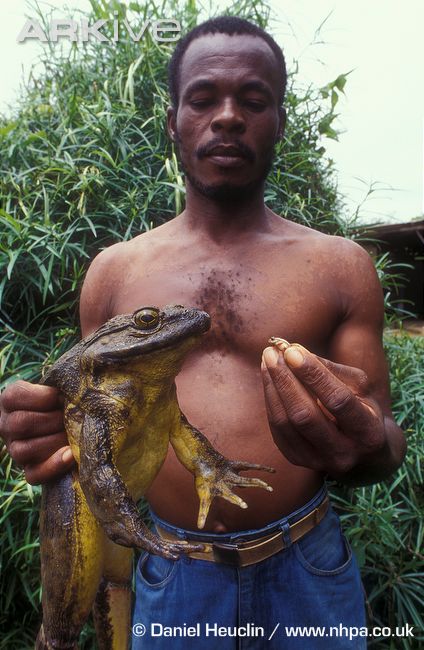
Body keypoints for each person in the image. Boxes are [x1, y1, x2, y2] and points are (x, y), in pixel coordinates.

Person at [0, 16, 406, 650]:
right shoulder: (114, 272)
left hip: (305, 564)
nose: (227, 117)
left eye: (253, 99)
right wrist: (39, 432)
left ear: (279, 122)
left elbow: (385, 444)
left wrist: (360, 443)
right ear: (173, 122)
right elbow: (84, 430)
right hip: (171, 569)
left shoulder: (339, 266)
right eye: (203, 97)